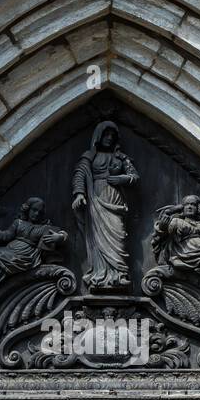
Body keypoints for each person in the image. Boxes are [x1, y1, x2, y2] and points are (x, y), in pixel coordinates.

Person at [72, 121, 138, 290]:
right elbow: (80, 174)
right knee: (98, 239)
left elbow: (134, 176)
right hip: (96, 200)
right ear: (98, 136)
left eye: (112, 136)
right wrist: (79, 193)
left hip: (115, 200)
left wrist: (122, 179)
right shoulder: (89, 156)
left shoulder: (120, 157)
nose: (109, 138)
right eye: (106, 135)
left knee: (118, 235)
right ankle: (99, 275)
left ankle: (120, 274)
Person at [0, 196, 67, 297]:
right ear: (28, 209)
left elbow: (56, 234)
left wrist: (61, 237)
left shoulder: (44, 227)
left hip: (25, 254)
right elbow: (7, 235)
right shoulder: (18, 222)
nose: (36, 214)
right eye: (34, 210)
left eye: (40, 212)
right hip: (10, 249)